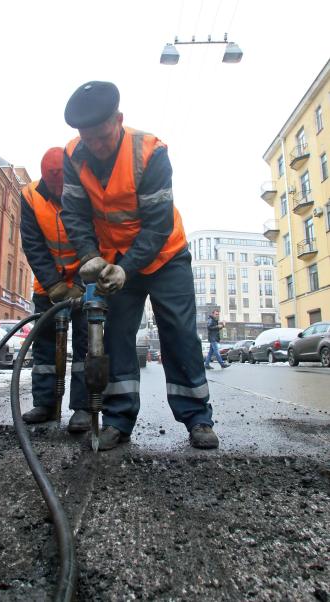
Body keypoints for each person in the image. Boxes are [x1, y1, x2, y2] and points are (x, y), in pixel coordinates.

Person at [61, 81, 219, 451]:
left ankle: (198, 418)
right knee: (116, 335)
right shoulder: (75, 155)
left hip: (165, 256)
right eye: (89, 138)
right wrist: (90, 256)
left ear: (119, 119)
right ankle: (117, 420)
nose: (96, 146)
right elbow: (74, 213)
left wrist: (126, 268)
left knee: (179, 332)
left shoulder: (150, 152)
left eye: (103, 136)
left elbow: (158, 223)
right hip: (114, 260)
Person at [19, 147, 90, 432]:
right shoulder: (30, 196)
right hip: (48, 284)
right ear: (45, 180)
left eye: (64, 186)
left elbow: (97, 238)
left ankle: (83, 407)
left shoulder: (86, 191)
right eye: (55, 187)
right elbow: (33, 245)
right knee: (45, 344)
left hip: (86, 279)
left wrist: (83, 284)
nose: (60, 192)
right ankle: (46, 404)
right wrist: (55, 286)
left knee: (87, 343)